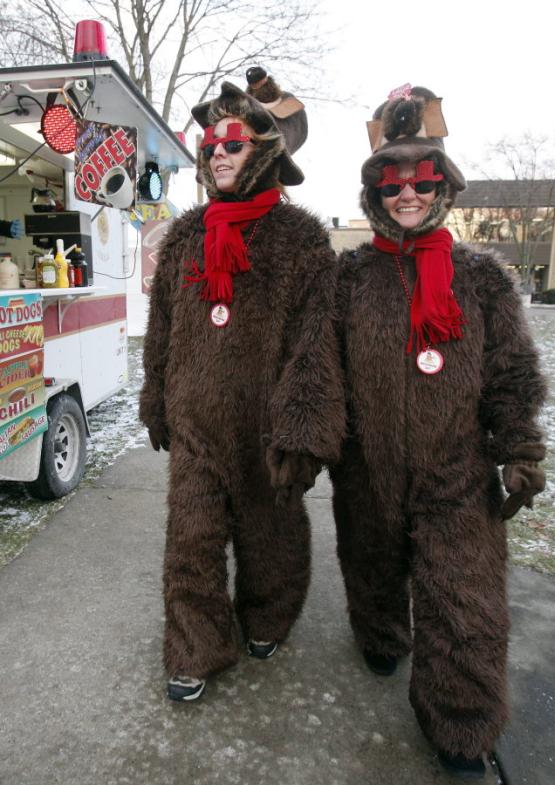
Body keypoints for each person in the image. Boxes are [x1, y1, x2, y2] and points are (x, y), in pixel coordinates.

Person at [330, 84, 547, 778]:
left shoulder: (481, 279)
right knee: (372, 569)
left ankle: (461, 726)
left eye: (421, 181)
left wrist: (518, 449)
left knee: (463, 605)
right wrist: (310, 436)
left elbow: (511, 372)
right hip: (368, 466)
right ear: (375, 194)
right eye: (392, 184)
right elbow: (317, 367)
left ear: (442, 186)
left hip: (456, 473)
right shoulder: (351, 277)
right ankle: (382, 634)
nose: (407, 195)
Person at [139, 80, 345, 702]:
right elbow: (164, 330)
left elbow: (316, 347)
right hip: (198, 425)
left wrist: (304, 433)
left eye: (232, 140)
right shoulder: (184, 237)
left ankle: (267, 617)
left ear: (263, 151)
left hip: (267, 427)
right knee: (191, 542)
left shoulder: (302, 239)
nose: (217, 153)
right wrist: (156, 398)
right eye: (208, 143)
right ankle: (196, 648)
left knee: (271, 536)